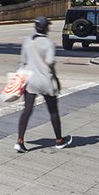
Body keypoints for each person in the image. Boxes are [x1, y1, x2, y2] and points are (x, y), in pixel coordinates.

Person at [14, 17, 72, 152]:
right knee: (53, 110)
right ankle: (59, 140)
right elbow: (50, 62)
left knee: (27, 110)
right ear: (46, 28)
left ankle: (20, 141)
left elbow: (23, 60)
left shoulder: (28, 41)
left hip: (30, 80)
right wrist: (56, 79)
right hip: (45, 80)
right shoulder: (49, 43)